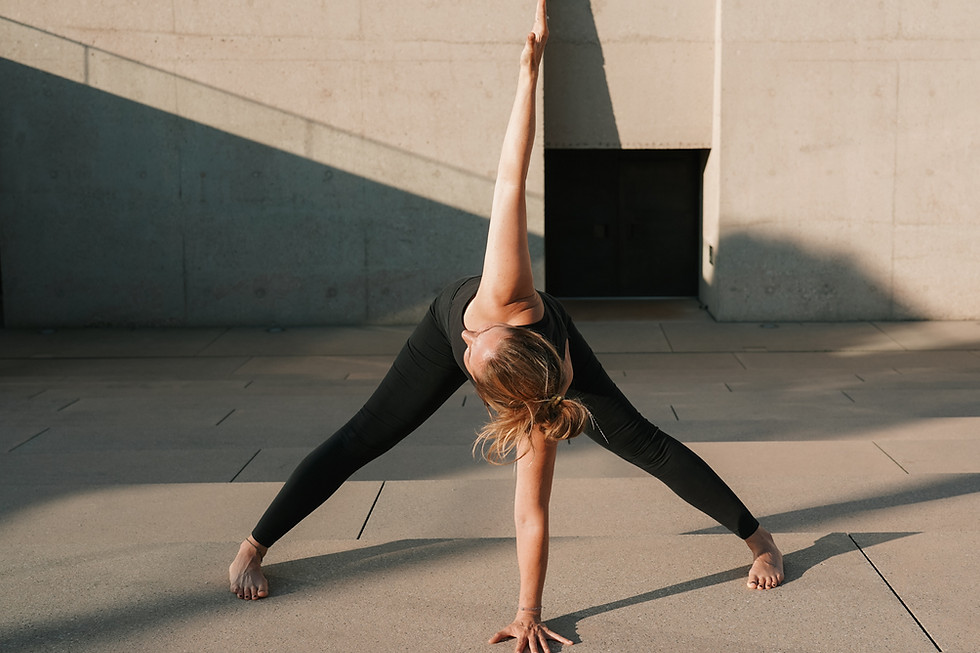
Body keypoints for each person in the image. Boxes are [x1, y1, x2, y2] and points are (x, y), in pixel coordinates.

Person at [229, 1, 784, 650]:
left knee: (645, 443)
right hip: (460, 316)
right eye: (476, 345)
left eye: (473, 355)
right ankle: (251, 546)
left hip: (548, 361)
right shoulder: (501, 294)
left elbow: (531, 511)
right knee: (360, 438)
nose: (470, 343)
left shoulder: (538, 406)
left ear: (511, 390)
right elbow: (510, 181)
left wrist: (528, 610)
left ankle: (759, 537)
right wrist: (530, 70)